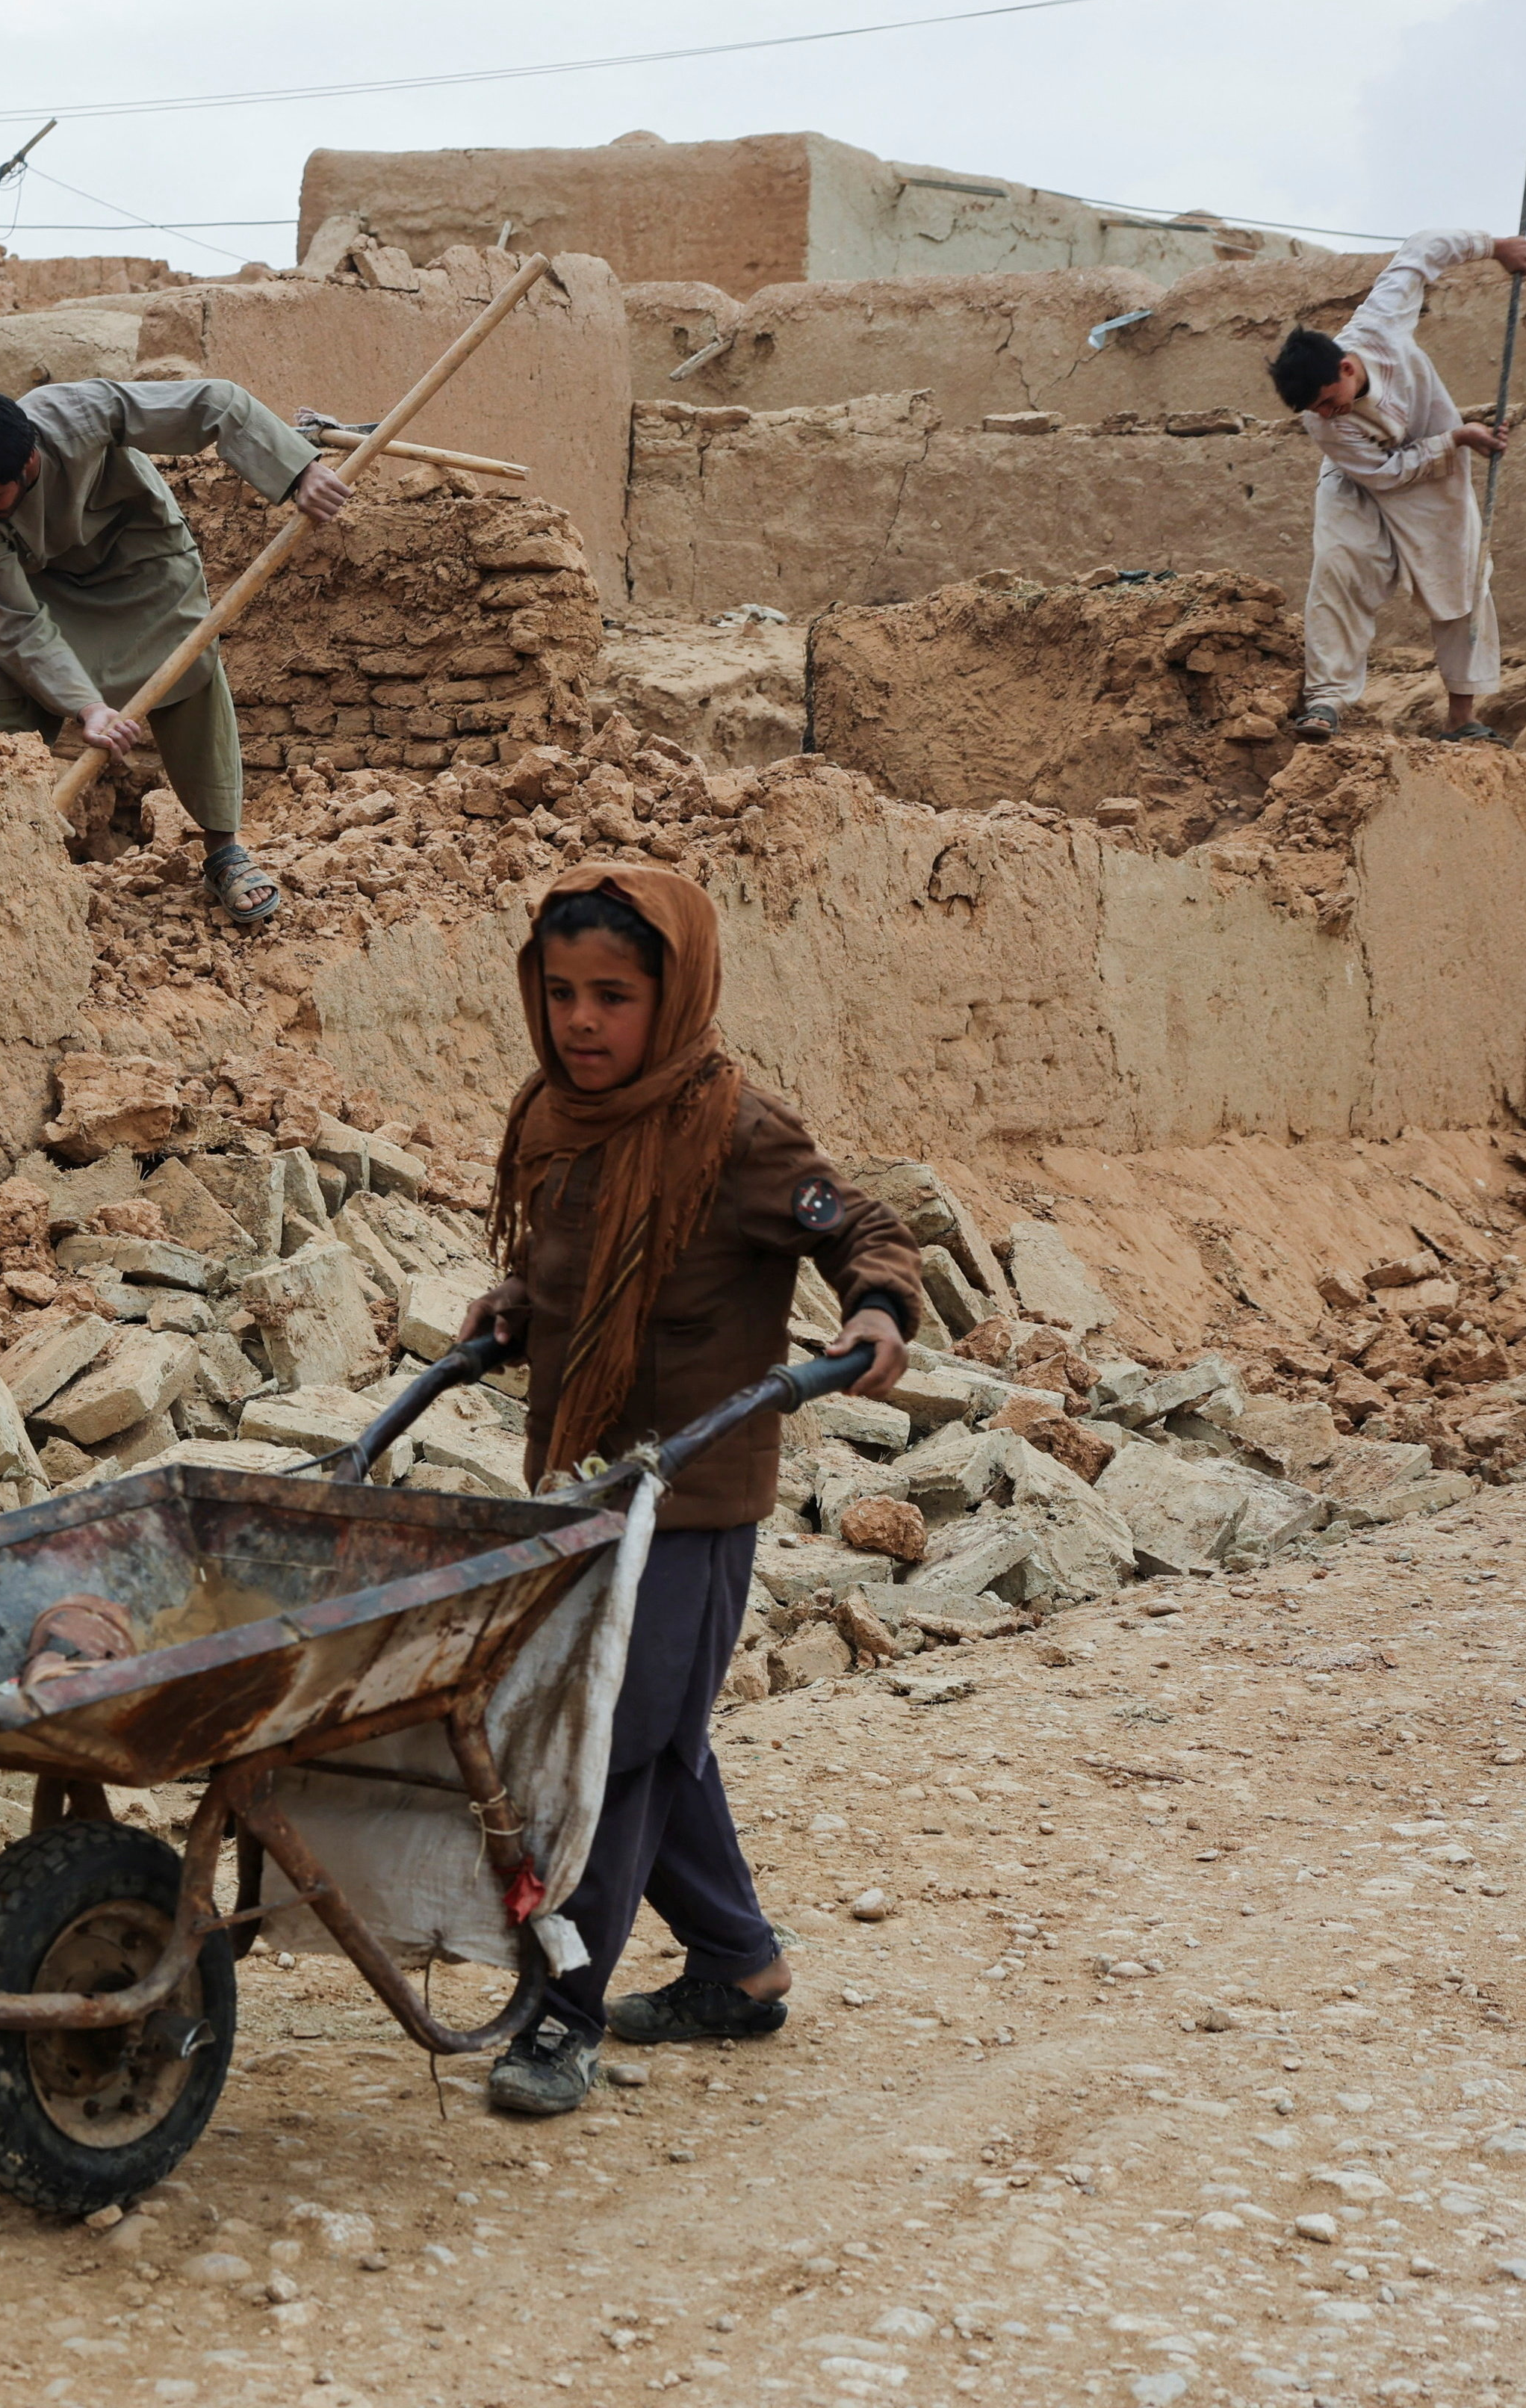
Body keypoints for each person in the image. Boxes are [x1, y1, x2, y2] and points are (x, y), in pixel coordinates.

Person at [464, 866, 925, 2117]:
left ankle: (564, 2017)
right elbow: (564, 1263)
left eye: (614, 995)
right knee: (658, 1740)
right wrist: (518, 1306)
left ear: (675, 996)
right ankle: (738, 1964)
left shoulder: (737, 1132)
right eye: (561, 993)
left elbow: (862, 1228)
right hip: (582, 1488)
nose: (581, 1021)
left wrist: (877, 1310)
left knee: (611, 1750)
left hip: (694, 1502)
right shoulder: (559, 1116)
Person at [0, 380, 350, 927]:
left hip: (143, 561)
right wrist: (89, 707)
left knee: (186, 665)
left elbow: (214, 404)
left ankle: (224, 849)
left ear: (28, 461)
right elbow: (17, 620)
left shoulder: (80, 412)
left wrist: (300, 471)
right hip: (46, 584)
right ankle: (17, 840)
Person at [1264, 226, 1526, 743]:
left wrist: (1495, 249)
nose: (1326, 414)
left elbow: (1422, 250)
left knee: (1465, 580)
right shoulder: (1323, 424)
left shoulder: (1380, 324)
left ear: (1346, 366)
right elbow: (1386, 474)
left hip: (1437, 479)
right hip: (1361, 482)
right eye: (1315, 410)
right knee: (1340, 566)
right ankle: (1326, 700)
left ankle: (1462, 718)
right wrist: (1457, 436)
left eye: (1329, 400)